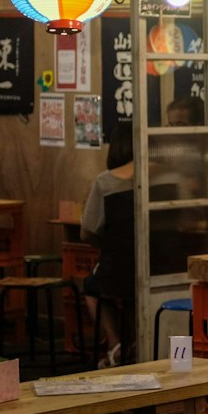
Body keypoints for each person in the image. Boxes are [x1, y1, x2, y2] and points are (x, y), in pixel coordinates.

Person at [82, 134, 134, 366]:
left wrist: (110, 245)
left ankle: (115, 344)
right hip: (159, 264)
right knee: (131, 293)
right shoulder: (164, 175)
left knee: (92, 285)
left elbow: (87, 232)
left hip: (117, 267)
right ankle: (135, 343)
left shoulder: (105, 182)